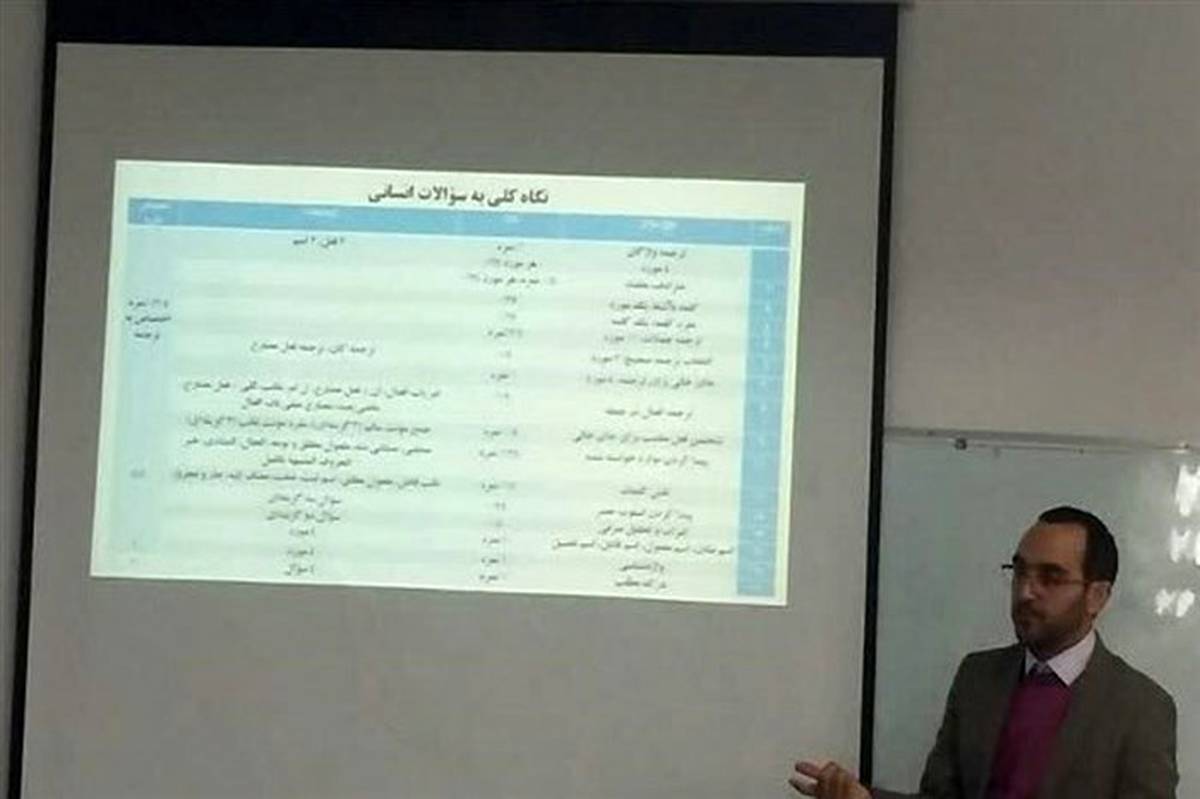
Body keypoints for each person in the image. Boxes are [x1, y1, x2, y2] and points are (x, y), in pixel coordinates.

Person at [789, 506, 1178, 799]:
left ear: (1098, 596)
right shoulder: (978, 677)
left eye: (1051, 577)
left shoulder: (1141, 708)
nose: (1026, 591)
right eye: (1020, 572)